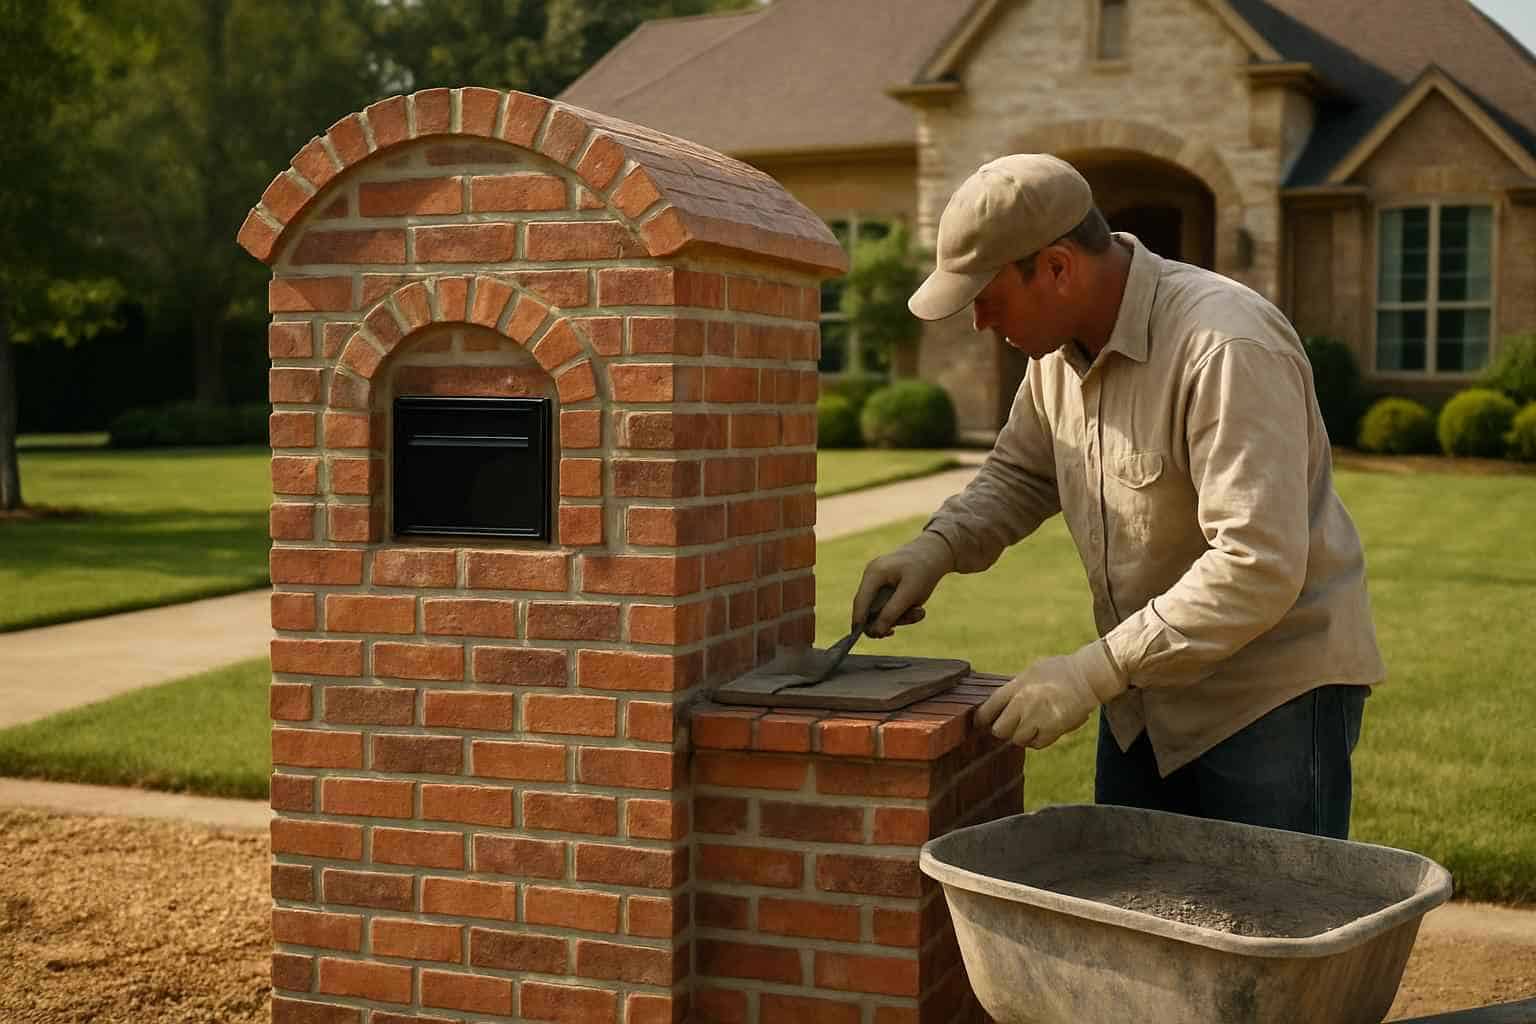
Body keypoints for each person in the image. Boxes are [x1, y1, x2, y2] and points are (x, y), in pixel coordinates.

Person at [851, 154, 1385, 839]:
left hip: (1268, 701)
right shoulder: (1056, 358)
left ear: (1056, 267)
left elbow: (1258, 563)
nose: (978, 320)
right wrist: (936, 548)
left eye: (986, 295)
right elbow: (1022, 474)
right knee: (1131, 899)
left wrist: (1089, 673)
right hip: (1143, 693)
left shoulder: (1226, 345)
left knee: (1272, 906)